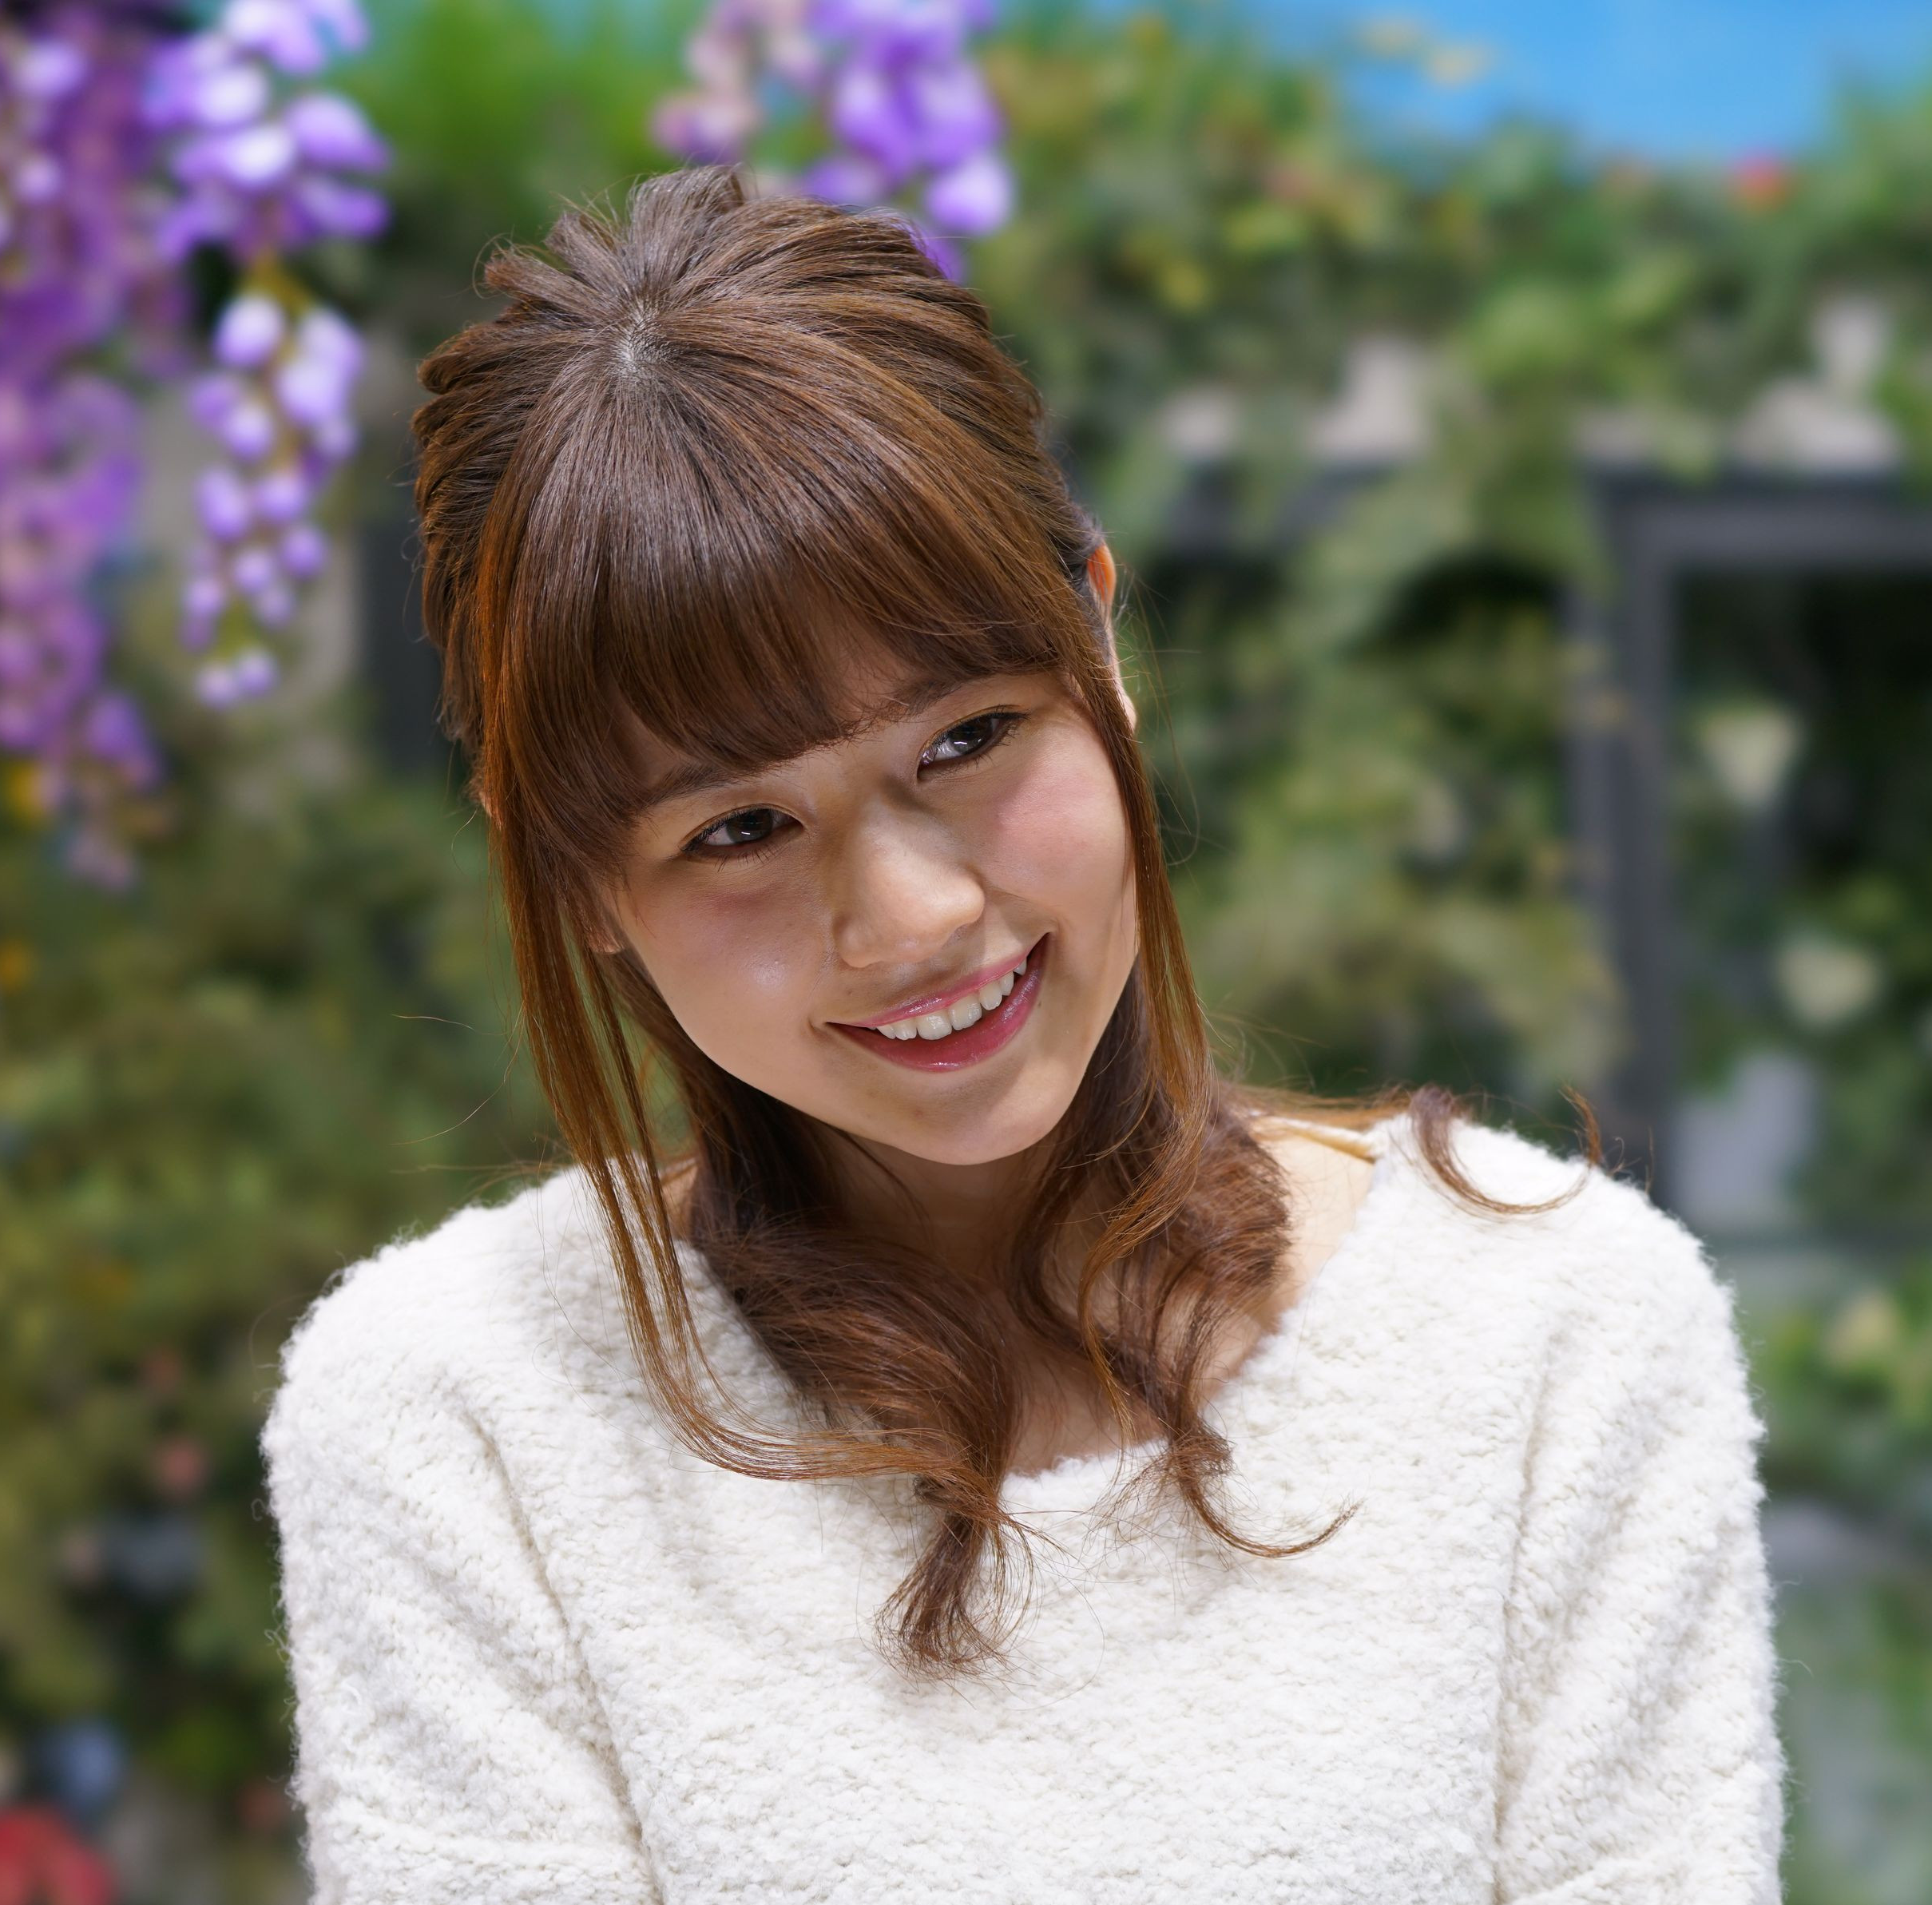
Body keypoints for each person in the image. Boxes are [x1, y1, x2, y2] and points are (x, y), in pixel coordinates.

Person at [262, 166, 1782, 1904]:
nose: (910, 916)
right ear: (574, 874)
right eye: (740, 828)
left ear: (1101, 645)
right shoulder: (457, 1409)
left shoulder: (1557, 1329)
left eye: (969, 737)